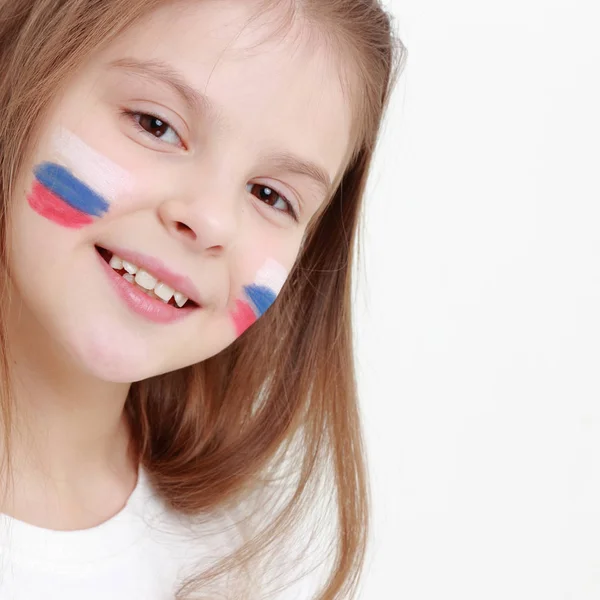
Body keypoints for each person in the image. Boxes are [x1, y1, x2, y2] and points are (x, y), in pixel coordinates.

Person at [0, 0, 406, 597]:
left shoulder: (244, 553)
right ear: (18, 77)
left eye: (270, 194)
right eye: (155, 124)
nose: (211, 220)